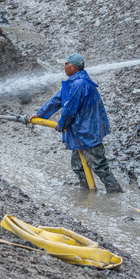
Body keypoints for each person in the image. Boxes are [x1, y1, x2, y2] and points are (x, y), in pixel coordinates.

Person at [30, 53, 123, 193]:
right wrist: (39, 114)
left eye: (66, 64)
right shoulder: (75, 81)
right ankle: (87, 191)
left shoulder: (79, 84)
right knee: (78, 165)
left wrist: (61, 125)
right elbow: (57, 99)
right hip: (79, 132)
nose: (64, 67)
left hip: (87, 131)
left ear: (72, 67)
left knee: (99, 166)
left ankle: (115, 193)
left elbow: (69, 110)